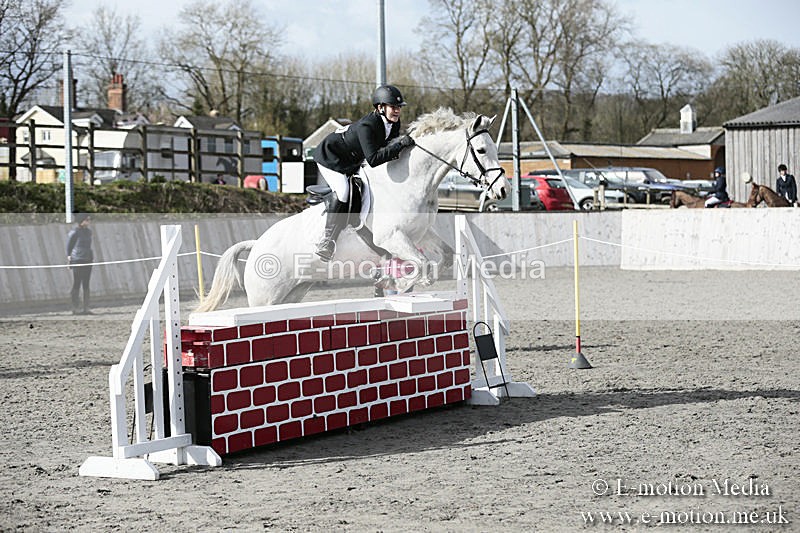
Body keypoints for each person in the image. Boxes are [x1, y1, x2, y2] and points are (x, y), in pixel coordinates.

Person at [313, 84, 416, 261]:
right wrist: (400, 145)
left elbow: (387, 150)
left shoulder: (393, 123)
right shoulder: (368, 126)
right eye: (393, 107)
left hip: (352, 160)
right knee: (344, 191)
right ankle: (327, 240)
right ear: (380, 107)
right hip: (331, 157)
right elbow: (374, 159)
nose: (397, 111)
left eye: (399, 107)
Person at [66, 213, 94, 315]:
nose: (88, 221)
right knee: (77, 283)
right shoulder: (75, 232)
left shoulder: (88, 232)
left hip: (87, 259)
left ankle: (86, 307)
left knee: (86, 283)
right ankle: (75, 307)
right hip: (78, 259)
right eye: (87, 219)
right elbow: (69, 246)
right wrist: (69, 258)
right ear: (82, 221)